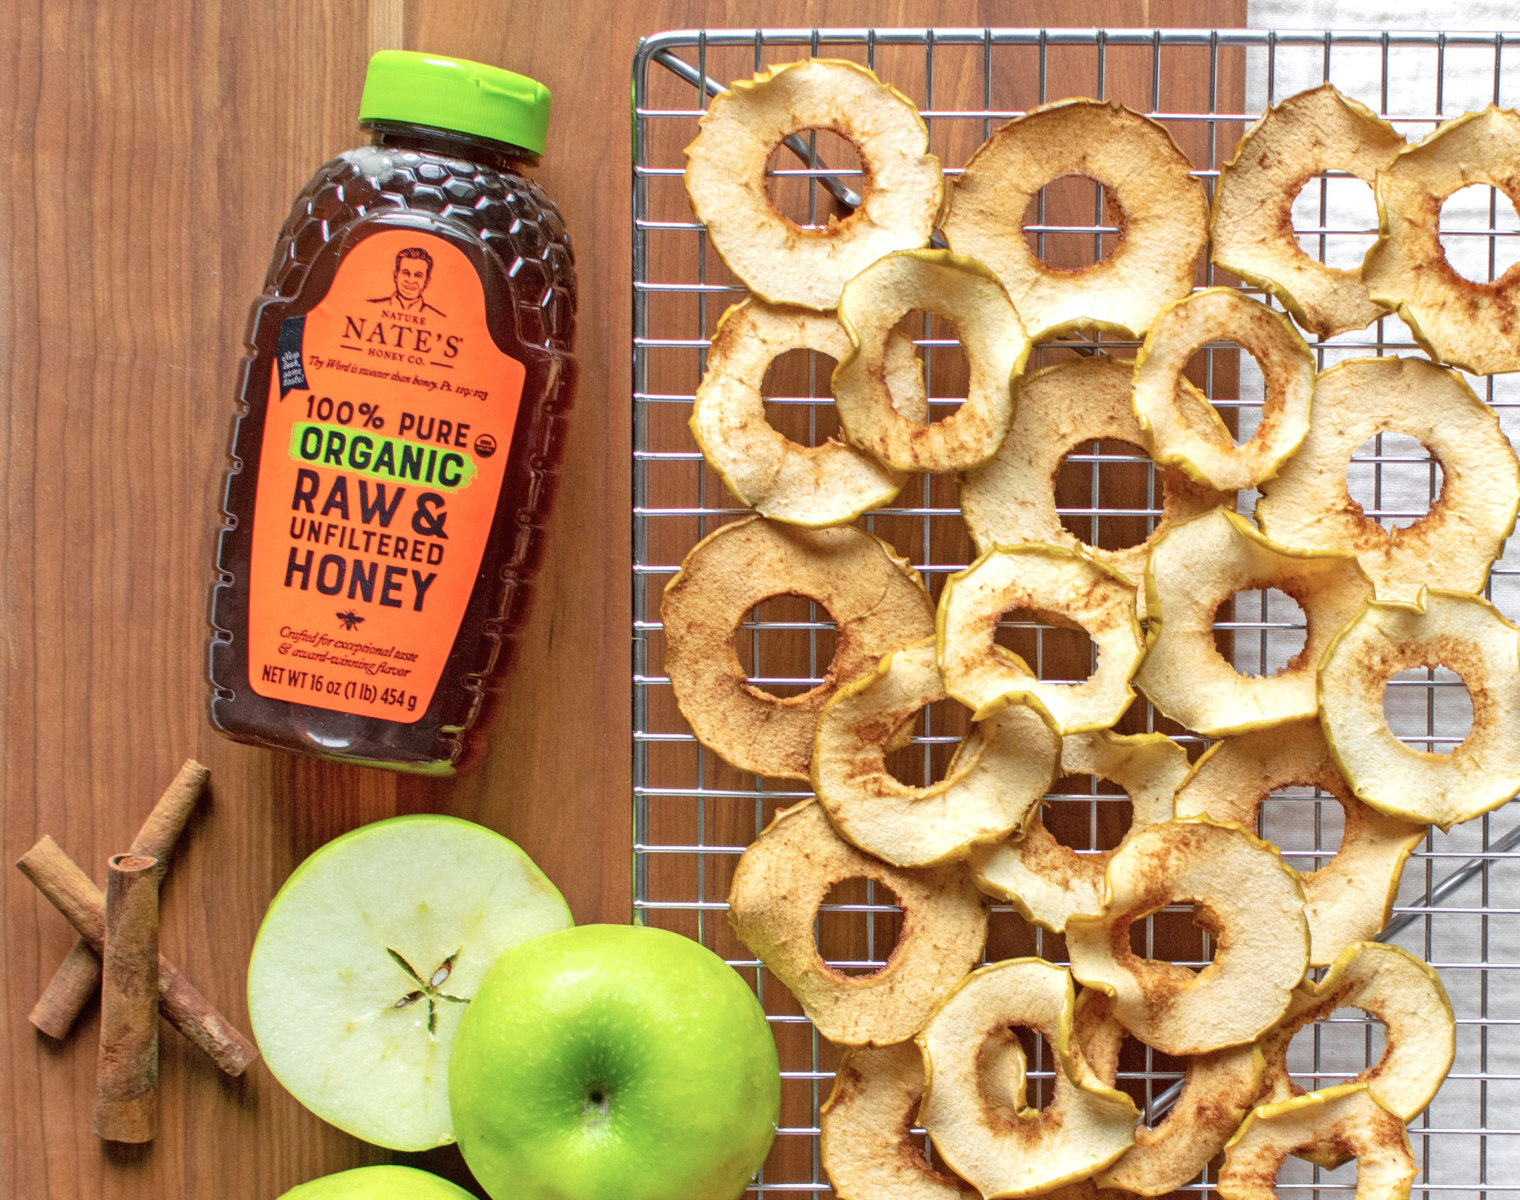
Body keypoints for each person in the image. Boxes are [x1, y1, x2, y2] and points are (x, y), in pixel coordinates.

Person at [371, 246, 446, 316]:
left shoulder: (438, 318)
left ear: (427, 281)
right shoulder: (371, 307)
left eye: (418, 275)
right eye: (405, 273)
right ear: (395, 275)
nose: (410, 280)